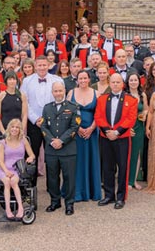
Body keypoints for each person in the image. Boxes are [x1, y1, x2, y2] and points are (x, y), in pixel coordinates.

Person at [94, 73, 138, 209]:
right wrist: (108, 131)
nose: (115, 84)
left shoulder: (131, 100)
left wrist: (117, 132)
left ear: (122, 83)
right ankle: (108, 195)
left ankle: (121, 197)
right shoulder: (102, 99)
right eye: (113, 82)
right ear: (109, 83)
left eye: (118, 82)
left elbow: (130, 119)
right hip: (106, 137)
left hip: (122, 138)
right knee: (107, 167)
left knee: (123, 167)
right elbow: (98, 116)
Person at [40, 82, 80, 215]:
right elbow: (44, 126)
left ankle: (69, 204)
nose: (58, 93)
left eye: (60, 91)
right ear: (52, 92)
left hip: (68, 149)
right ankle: (54, 202)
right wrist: (52, 141)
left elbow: (75, 127)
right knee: (52, 177)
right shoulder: (47, 108)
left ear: (64, 91)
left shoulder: (73, 107)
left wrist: (61, 140)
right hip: (51, 149)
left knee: (69, 178)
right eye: (55, 91)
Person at [21, 57, 62, 177]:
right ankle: (31, 185)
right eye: (39, 65)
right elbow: (24, 102)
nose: (42, 67)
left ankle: (52, 187)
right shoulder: (27, 81)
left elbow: (60, 100)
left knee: (52, 156)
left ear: (49, 65)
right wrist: (35, 119)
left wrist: (50, 118)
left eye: (44, 65)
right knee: (32, 154)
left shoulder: (57, 80)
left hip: (53, 124)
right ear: (35, 66)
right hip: (34, 123)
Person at [68, 70, 101, 202]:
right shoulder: (71, 93)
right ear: (77, 80)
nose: (82, 81)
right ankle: (77, 191)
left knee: (91, 158)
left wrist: (92, 128)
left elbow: (99, 113)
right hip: (76, 132)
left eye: (84, 78)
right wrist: (77, 128)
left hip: (91, 132)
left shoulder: (96, 94)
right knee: (77, 161)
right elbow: (68, 112)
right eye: (80, 78)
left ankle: (92, 191)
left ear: (89, 79)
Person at [0, 119, 36, 220]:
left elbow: (32, 154)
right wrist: (6, 171)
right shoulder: (3, 142)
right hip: (4, 169)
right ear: (9, 128)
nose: (14, 129)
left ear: (20, 130)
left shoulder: (23, 140)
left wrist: (30, 158)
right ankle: (8, 209)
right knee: (6, 181)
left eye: (17, 127)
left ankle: (20, 208)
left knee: (13, 182)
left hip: (18, 169)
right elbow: (0, 161)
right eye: (13, 127)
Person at [125, 73, 148, 190]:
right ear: (127, 82)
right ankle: (126, 181)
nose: (133, 82)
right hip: (127, 126)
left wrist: (144, 114)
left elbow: (146, 109)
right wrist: (126, 128)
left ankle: (134, 180)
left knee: (137, 154)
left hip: (139, 126)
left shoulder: (142, 95)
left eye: (135, 80)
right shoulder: (124, 95)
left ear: (139, 81)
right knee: (127, 154)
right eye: (131, 80)